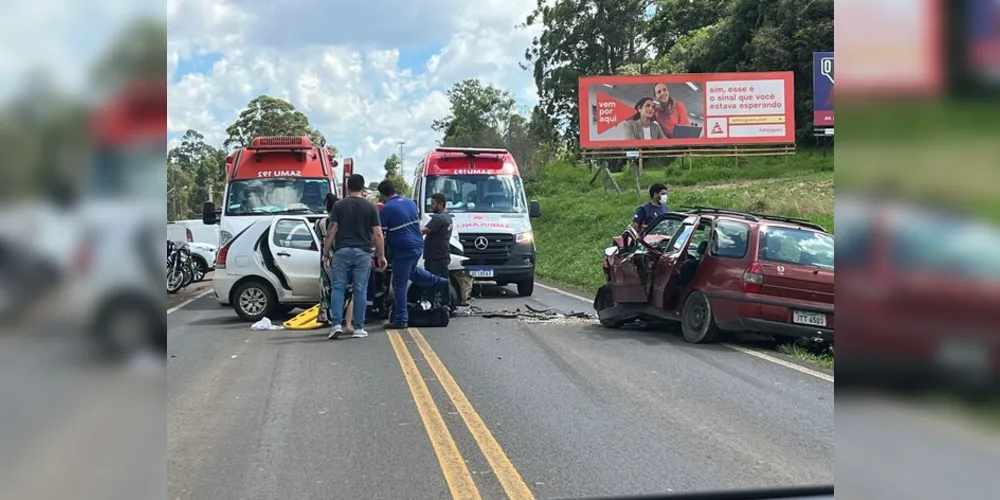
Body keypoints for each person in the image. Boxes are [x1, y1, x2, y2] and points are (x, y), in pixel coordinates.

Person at [322, 173, 387, 339]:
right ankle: (358, 327)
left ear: (348, 187)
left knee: (338, 288)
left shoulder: (338, 206)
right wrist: (381, 255)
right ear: (363, 187)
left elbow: (332, 230)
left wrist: (326, 251)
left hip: (341, 251)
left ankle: (336, 324)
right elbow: (378, 234)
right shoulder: (370, 207)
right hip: (363, 253)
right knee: (360, 290)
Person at [378, 179, 424, 329]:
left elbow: (380, 232)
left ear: (382, 195)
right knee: (410, 275)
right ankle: (437, 283)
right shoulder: (411, 202)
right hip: (417, 246)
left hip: (403, 250)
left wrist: (380, 253)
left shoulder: (387, 208)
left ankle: (401, 319)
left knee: (399, 284)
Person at [422, 193, 453, 309]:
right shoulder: (447, 217)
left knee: (432, 281)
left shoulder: (439, 218)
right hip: (441, 254)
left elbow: (424, 230)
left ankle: (437, 304)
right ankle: (445, 304)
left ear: (440, 204)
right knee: (443, 280)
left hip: (436, 256)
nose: (431, 206)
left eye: (433, 204)